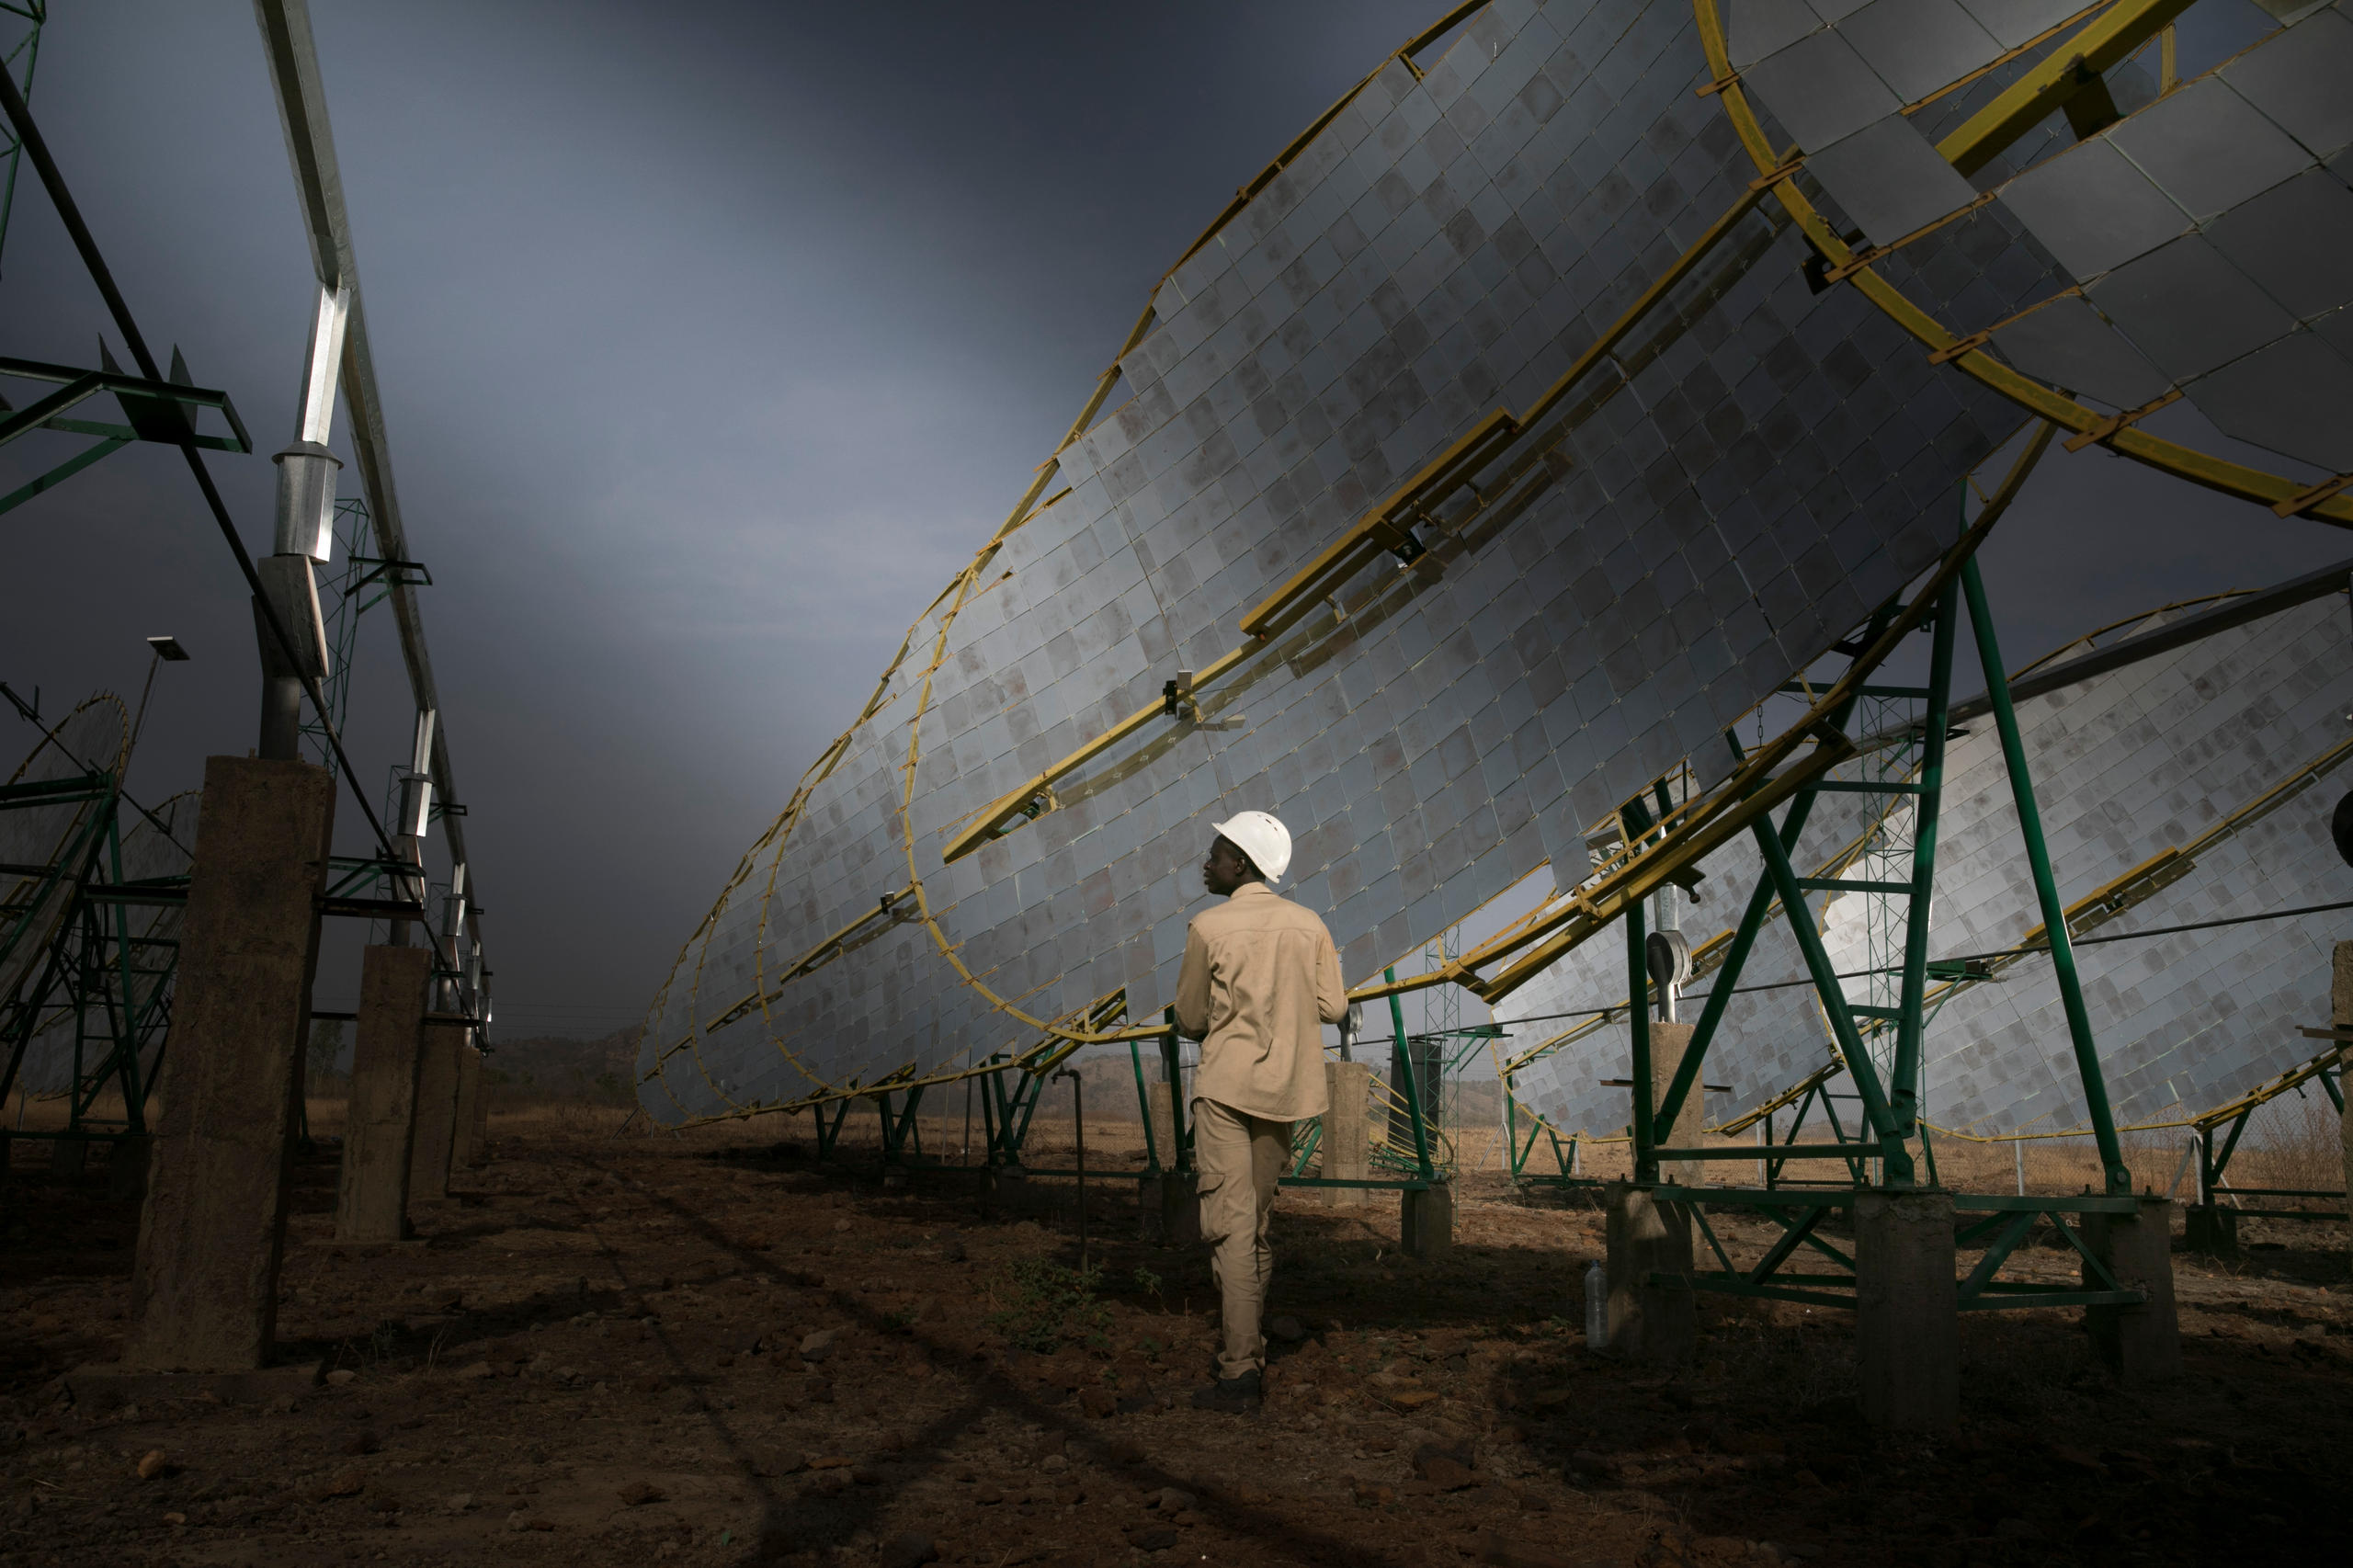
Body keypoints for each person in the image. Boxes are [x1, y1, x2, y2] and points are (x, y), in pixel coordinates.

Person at [1172, 810, 1347, 1414]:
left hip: (1226, 1089)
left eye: (1217, 854)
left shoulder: (1208, 927)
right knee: (1255, 1221)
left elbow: (1190, 1018)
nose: (1207, 863)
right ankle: (1249, 1340)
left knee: (1231, 1226)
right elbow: (1333, 1006)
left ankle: (1240, 1371)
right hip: (1284, 1093)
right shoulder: (1310, 925)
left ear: (1240, 864)